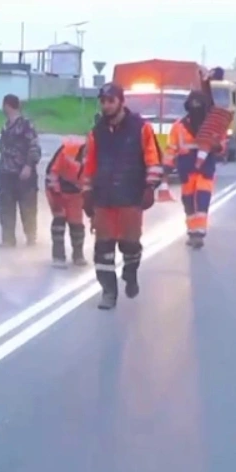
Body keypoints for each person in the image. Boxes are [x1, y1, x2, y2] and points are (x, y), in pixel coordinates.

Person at [81, 83, 164, 310]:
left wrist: (150, 188)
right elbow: (89, 165)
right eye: (103, 101)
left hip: (130, 197)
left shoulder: (141, 129)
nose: (106, 106)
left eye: (111, 101)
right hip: (104, 199)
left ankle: (130, 273)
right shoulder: (96, 132)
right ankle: (108, 292)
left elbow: (153, 160)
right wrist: (86, 193)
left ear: (121, 102)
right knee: (103, 250)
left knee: (130, 246)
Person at [166, 88, 226, 249]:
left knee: (202, 199)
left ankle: (199, 233)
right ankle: (192, 231)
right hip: (186, 170)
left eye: (199, 104)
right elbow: (171, 148)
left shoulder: (213, 126)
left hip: (205, 169)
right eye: (193, 104)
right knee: (188, 202)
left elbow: (222, 146)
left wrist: (215, 146)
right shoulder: (178, 127)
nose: (196, 107)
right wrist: (165, 168)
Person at [0, 94, 41, 247]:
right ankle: (8, 240)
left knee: (27, 208)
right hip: (6, 174)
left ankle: (31, 239)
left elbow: (34, 147)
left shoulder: (26, 125)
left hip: (23, 174)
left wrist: (28, 166)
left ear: (7, 105)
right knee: (6, 209)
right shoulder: (6, 126)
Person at [44, 136, 89, 267]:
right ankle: (58, 256)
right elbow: (53, 172)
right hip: (57, 187)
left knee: (77, 224)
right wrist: (56, 194)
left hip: (76, 192)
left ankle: (78, 255)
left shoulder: (99, 159)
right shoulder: (68, 151)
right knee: (59, 220)